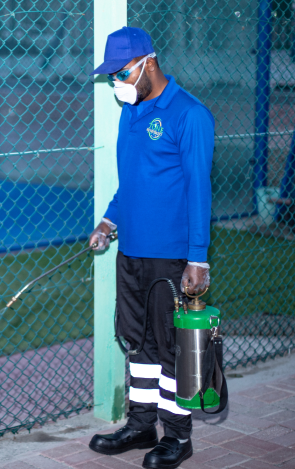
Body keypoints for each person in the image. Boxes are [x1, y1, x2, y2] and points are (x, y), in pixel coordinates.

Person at [88, 27, 214, 469]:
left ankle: (177, 436)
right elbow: (133, 182)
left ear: (149, 63)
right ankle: (142, 424)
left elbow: (200, 190)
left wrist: (198, 258)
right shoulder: (133, 112)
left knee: (171, 347)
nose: (117, 84)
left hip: (171, 257)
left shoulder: (189, 115)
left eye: (121, 74)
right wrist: (109, 219)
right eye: (112, 78)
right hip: (132, 252)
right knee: (138, 342)